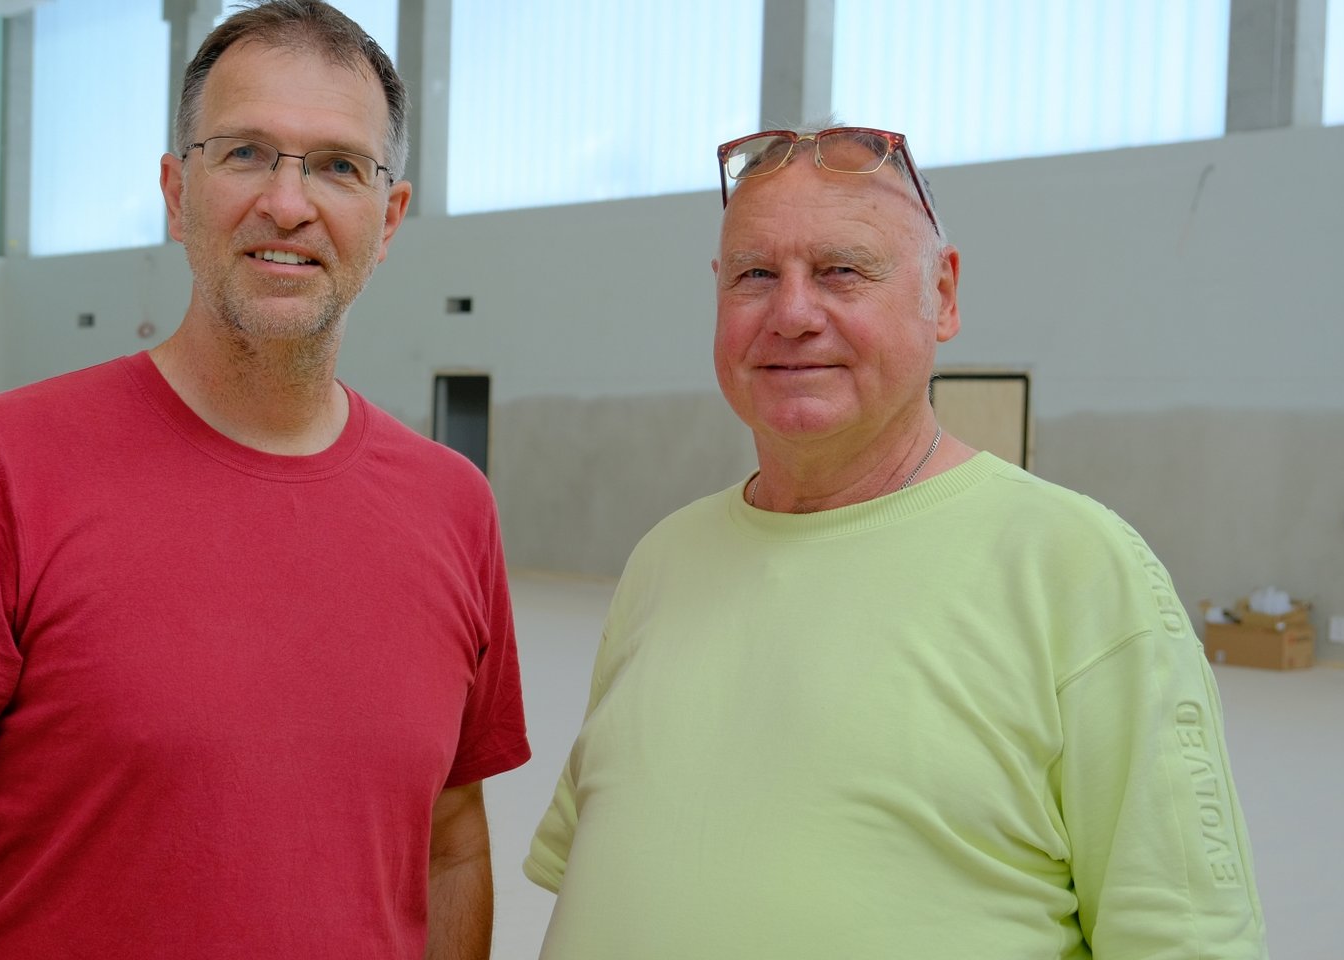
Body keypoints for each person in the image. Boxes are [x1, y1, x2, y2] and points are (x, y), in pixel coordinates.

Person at [0, 3, 529, 957]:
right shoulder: (2, 466)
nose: (289, 204)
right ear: (177, 193)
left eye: (339, 165)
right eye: (247, 153)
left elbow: (452, 850)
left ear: (387, 219)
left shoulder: (452, 505)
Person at [524, 124, 1266, 959]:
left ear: (941, 296)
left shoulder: (1077, 568)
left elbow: (1184, 938)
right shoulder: (664, 559)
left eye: (842, 270)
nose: (792, 314)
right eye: (755, 275)